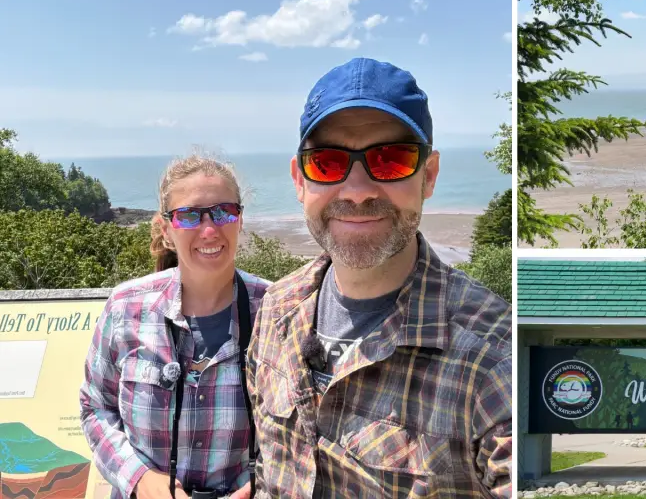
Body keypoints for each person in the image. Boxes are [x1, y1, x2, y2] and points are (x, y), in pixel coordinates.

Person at [247, 58, 512, 498]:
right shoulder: (276, 310)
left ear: (429, 176)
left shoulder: (492, 359)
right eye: (327, 163)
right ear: (300, 180)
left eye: (390, 160)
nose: (357, 191)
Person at [80, 154, 270, 499]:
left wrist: (262, 483)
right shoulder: (126, 307)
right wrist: (139, 479)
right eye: (189, 215)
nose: (209, 229)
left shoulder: (276, 311)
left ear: (240, 220)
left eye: (224, 211)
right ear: (166, 230)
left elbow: (299, 427)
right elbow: (95, 405)